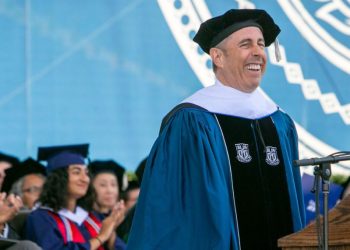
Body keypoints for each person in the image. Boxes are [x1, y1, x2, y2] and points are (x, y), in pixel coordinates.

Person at [127, 9, 306, 250]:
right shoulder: (192, 122)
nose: (257, 53)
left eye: (261, 45)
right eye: (246, 44)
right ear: (218, 57)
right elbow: (175, 217)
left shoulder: (279, 122)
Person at [25, 144, 124, 250]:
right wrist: (101, 237)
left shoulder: (93, 218)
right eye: (76, 172)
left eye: (86, 173)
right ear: (58, 178)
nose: (85, 179)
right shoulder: (41, 219)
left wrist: (111, 231)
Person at [89, 160, 127, 250]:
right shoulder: (85, 221)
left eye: (113, 185)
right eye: (103, 185)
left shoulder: (123, 219)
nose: (109, 190)